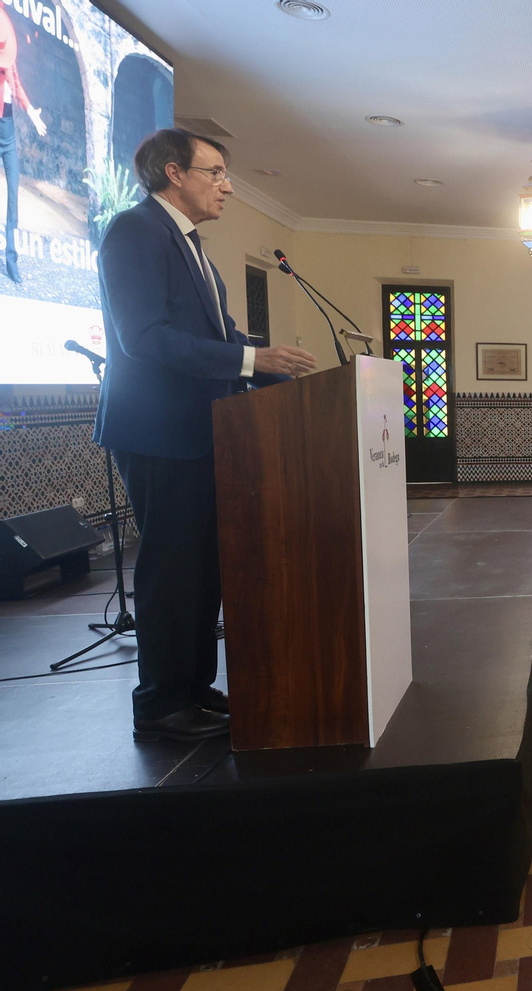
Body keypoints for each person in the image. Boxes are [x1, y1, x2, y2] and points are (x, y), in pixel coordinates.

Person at [95, 129, 318, 741]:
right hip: (159, 429)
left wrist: (261, 353)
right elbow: (146, 338)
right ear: (174, 173)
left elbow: (214, 340)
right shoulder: (135, 232)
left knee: (202, 565)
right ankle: (162, 703)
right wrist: (252, 362)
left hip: (203, 428)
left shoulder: (192, 246)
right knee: (172, 565)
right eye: (214, 172)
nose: (226, 184)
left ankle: (194, 688)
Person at [0, 5, 48, 284]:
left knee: (13, 196)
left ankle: (11, 259)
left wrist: (30, 111)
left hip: (8, 130)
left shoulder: (9, 59)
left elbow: (16, 84)